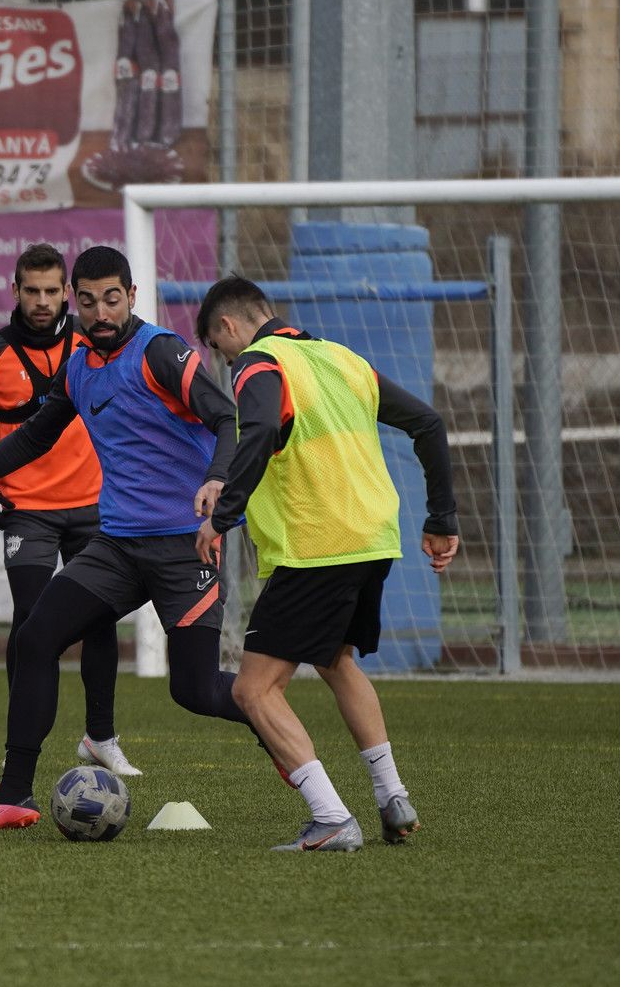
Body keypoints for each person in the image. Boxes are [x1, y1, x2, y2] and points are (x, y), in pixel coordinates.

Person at [0, 246, 251, 830]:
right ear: (76, 300)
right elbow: (30, 439)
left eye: (111, 299)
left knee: (195, 691)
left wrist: (218, 479)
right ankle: (13, 795)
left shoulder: (161, 352)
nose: (100, 313)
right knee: (35, 638)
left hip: (182, 546)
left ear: (132, 296)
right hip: (117, 545)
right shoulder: (78, 367)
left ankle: (279, 731)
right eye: (87, 301)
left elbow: (226, 417)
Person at [193, 276, 459, 853]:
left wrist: (223, 516)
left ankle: (331, 817)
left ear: (228, 327)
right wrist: (441, 517)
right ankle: (392, 796)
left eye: (219, 348)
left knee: (253, 691)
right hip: (372, 540)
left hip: (316, 547)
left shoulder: (258, 362)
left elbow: (262, 428)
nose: (225, 361)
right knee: (336, 660)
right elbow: (429, 423)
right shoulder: (344, 359)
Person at [0, 243, 134, 778]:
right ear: (14, 291)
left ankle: (100, 736)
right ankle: (22, 742)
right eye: (31, 290)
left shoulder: (94, 343)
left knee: (99, 618)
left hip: (94, 505)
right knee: (32, 622)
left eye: (52, 291)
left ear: (67, 294)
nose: (41, 301)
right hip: (26, 509)